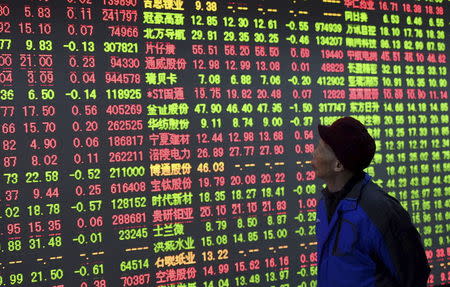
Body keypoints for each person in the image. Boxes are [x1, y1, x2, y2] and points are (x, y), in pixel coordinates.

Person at [312, 116, 430, 287]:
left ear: (338, 165)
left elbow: (415, 275)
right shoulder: (324, 204)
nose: (314, 153)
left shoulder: (379, 210)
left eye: (321, 148)